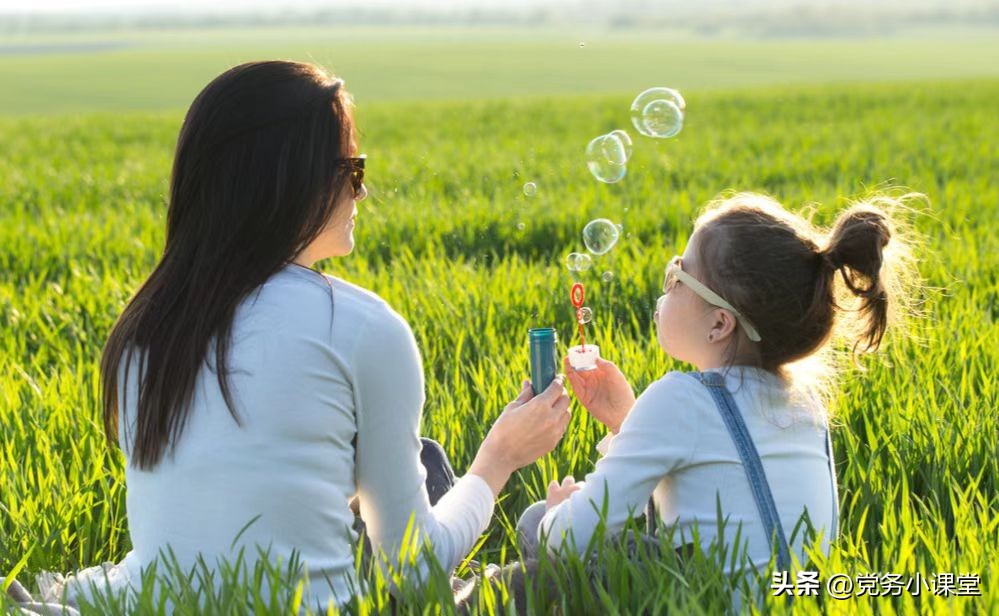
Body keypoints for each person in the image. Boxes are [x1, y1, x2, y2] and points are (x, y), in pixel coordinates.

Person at [7, 60, 571, 615]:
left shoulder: (147, 328)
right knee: (553, 575)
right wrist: (498, 460)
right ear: (292, 179)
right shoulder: (364, 329)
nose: (362, 193)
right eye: (352, 170)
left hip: (154, 601)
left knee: (423, 460)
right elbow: (414, 573)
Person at [517, 192, 922, 607]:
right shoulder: (806, 404)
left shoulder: (680, 398)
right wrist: (627, 422)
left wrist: (555, 516)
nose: (665, 287)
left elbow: (568, 539)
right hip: (797, 603)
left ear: (719, 323)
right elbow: (706, 496)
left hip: (705, 605)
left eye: (677, 276)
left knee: (538, 524)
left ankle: (478, 591)